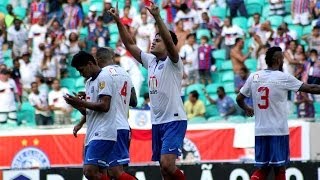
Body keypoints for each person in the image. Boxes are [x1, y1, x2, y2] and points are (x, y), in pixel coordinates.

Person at [109, 2, 187, 179]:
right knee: (164, 171)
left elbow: (168, 40)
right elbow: (129, 44)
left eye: (158, 40)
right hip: (157, 122)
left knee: (168, 165)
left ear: (168, 45)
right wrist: (118, 21)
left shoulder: (174, 62)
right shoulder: (151, 61)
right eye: (154, 39)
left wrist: (158, 17)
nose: (153, 42)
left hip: (174, 120)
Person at [236, 46, 320, 180]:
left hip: (260, 131)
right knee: (280, 169)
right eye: (282, 58)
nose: (283, 61)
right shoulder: (283, 77)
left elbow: (239, 98)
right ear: (278, 60)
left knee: (262, 169)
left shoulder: (254, 76)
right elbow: (310, 87)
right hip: (278, 131)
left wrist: (247, 108)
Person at [65, 51, 117, 180]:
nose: (80, 73)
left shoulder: (104, 77)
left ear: (89, 64)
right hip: (92, 132)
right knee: (101, 172)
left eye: (81, 70)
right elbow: (88, 112)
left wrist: (81, 102)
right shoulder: (89, 83)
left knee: (89, 171)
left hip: (103, 132)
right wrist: (75, 104)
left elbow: (105, 106)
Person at [96, 47, 137, 179]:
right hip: (124, 126)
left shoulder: (102, 74)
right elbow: (134, 101)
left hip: (112, 128)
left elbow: (102, 103)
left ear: (98, 60)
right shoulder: (125, 73)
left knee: (113, 172)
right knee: (112, 172)